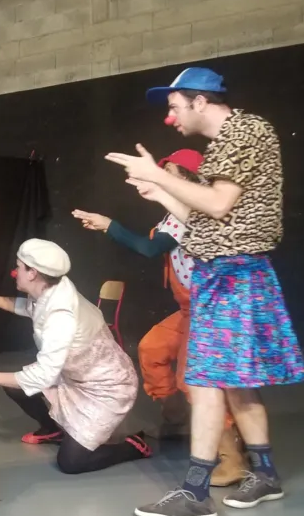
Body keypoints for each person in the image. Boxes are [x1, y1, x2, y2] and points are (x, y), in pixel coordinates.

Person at [107, 67, 304, 516]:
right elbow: (204, 222)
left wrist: (158, 177)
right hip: (228, 274)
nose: (170, 118)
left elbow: (217, 205)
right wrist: (159, 190)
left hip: (233, 275)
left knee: (204, 380)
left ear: (200, 102)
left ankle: (196, 493)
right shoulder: (228, 142)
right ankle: (266, 474)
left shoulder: (242, 131)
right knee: (235, 383)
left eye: (174, 107)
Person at [73, 150, 250, 486]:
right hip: (189, 309)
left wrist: (108, 225)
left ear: (191, 179)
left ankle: (232, 458)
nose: (163, 178)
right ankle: (177, 419)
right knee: (153, 348)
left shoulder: (196, 212)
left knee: (196, 380)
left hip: (209, 310)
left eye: (171, 173)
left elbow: (150, 248)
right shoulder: (175, 213)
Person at [0, 239, 152, 475]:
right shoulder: (51, 287)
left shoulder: (61, 314)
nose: (15, 272)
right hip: (72, 374)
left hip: (106, 387)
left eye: (18, 267)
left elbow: (44, 375)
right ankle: (53, 429)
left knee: (71, 463)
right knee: (14, 386)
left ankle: (132, 447)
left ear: (32, 273)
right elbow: (31, 308)